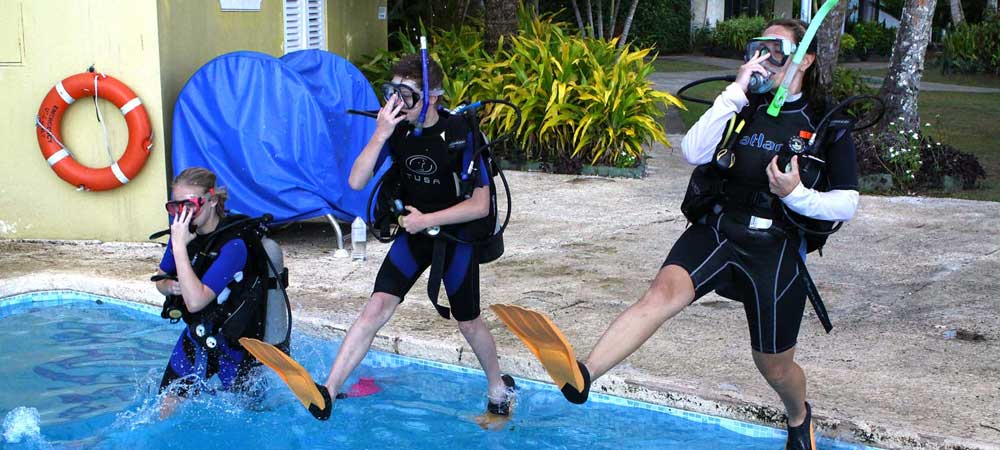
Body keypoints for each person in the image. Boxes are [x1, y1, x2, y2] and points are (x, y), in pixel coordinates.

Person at [492, 18, 859, 450]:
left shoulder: (826, 124)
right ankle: (585, 373)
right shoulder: (743, 105)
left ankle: (799, 416)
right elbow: (692, 151)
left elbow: (847, 203)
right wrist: (735, 92)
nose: (763, 58)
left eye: (775, 49)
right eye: (756, 47)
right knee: (660, 294)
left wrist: (796, 194)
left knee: (774, 367)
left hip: (775, 248)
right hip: (720, 229)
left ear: (805, 58)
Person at [241, 53, 515, 422]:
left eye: (407, 94)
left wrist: (428, 220)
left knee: (467, 321)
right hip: (415, 231)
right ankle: (329, 390)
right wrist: (381, 134)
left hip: (457, 236)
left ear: (433, 96)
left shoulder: (462, 133)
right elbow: (355, 181)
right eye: (392, 93)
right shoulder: (395, 130)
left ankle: (498, 388)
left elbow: (481, 206)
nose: (397, 103)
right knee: (375, 308)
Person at [153, 167, 272, 418]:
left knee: (247, 416)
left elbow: (196, 301)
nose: (183, 215)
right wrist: (169, 287)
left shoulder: (234, 245)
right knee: (165, 406)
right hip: (197, 337)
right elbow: (161, 279)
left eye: (191, 205)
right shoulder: (185, 235)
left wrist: (179, 247)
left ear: (212, 200)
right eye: (176, 207)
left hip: (236, 345)